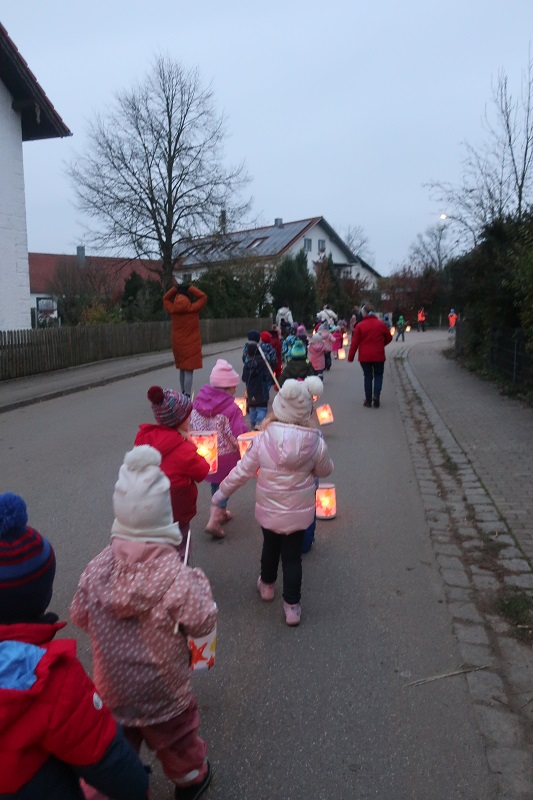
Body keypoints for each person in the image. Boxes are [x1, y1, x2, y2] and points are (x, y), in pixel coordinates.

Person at [70, 446, 217, 800]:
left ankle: (102, 792)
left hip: (112, 690)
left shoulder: (96, 570)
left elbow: (79, 615)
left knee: (112, 750)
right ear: (164, 520)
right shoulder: (178, 578)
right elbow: (202, 621)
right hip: (164, 692)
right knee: (178, 741)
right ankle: (191, 778)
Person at [0, 492, 149, 800]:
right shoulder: (50, 679)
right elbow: (108, 759)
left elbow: (80, 614)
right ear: (41, 595)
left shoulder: (94, 573)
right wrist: (137, 786)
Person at [210, 376, 334, 626]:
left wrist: (220, 493)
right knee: (292, 558)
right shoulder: (315, 443)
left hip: (269, 511)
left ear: (278, 408)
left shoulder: (263, 439)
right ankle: (292, 607)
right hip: (298, 515)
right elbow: (325, 471)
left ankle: (267, 586)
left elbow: (242, 470)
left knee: (270, 547)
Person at [134, 386, 210, 553]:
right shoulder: (184, 449)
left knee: (156, 552)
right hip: (175, 514)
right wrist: (192, 446)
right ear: (180, 420)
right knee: (180, 549)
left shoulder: (145, 439)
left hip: (148, 512)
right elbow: (202, 471)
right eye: (188, 417)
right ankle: (179, 575)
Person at [191, 359, 248, 539]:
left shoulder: (198, 404)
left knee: (217, 484)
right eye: (233, 387)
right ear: (225, 387)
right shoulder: (230, 409)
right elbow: (236, 434)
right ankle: (214, 519)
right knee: (225, 485)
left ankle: (221, 512)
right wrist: (246, 442)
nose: (235, 390)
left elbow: (192, 425)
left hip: (206, 452)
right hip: (225, 455)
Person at [163, 282, 208, 397]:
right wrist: (190, 288)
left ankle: (182, 392)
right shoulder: (192, 309)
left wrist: (174, 288)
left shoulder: (173, 310)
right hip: (191, 344)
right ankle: (187, 395)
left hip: (177, 344)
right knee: (189, 369)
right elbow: (203, 296)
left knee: (182, 368)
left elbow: (166, 298)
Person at [348, 303, 393, 408]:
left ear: (363, 314)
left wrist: (351, 357)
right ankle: (376, 396)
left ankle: (368, 400)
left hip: (364, 357)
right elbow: (389, 338)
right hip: (379, 355)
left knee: (368, 376)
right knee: (378, 375)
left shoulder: (360, 326)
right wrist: (382, 344)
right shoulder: (381, 324)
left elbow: (354, 343)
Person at [242, 330, 274, 430]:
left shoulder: (247, 365)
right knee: (262, 408)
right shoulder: (263, 363)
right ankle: (260, 423)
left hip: (251, 391)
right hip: (262, 391)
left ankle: (253, 423)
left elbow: (244, 378)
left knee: (252, 409)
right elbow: (268, 375)